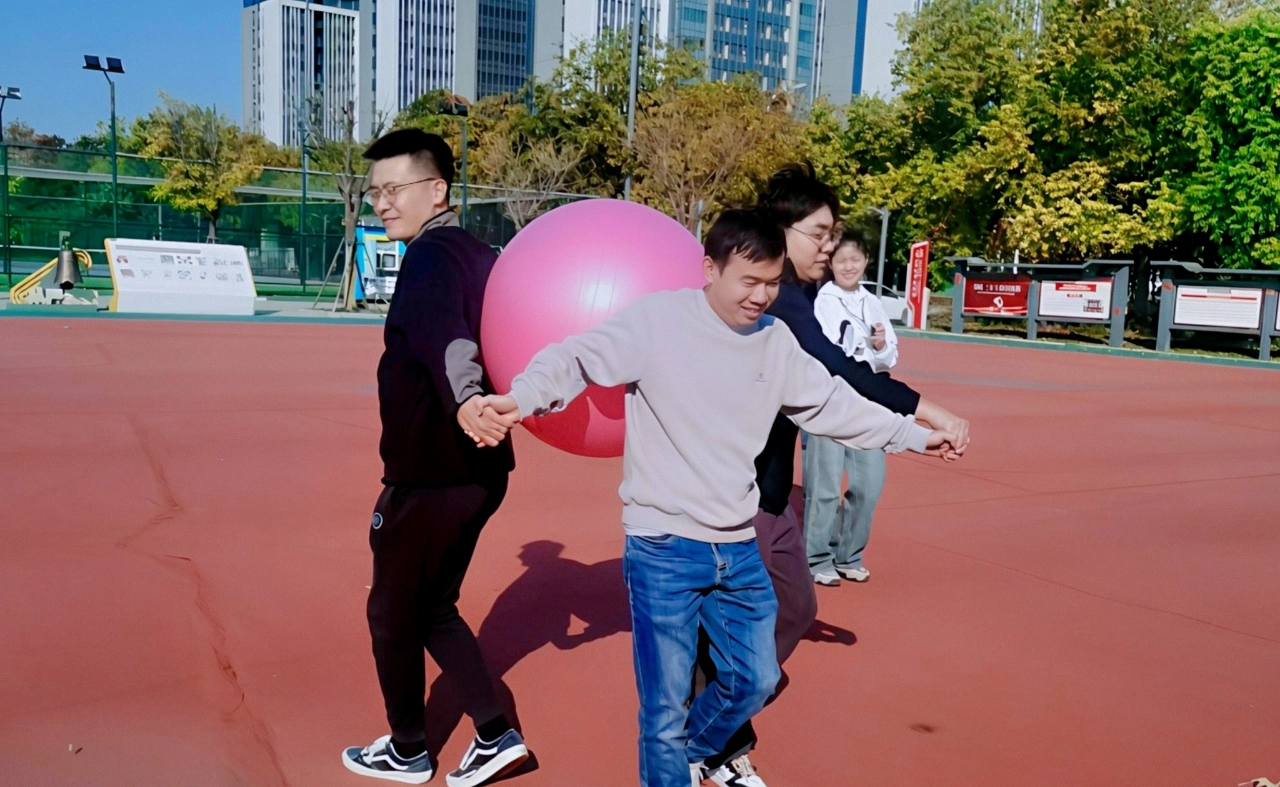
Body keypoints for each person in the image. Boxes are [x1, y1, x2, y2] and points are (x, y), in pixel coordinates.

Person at [463, 208, 962, 787]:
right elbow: (574, 358)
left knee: (754, 680)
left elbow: (833, 405)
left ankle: (692, 751)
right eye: (748, 281)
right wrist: (521, 398)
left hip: (737, 545)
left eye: (771, 283)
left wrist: (914, 435)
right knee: (663, 711)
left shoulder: (774, 341)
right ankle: (673, 760)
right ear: (710, 269)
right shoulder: (657, 321)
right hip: (663, 547)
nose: (761, 296)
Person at [695, 165, 971, 787]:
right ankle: (713, 744)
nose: (829, 246)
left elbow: (833, 388)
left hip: (770, 494)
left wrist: (912, 431)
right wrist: (927, 412)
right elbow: (839, 373)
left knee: (794, 609)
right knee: (735, 628)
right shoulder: (779, 300)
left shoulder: (794, 295)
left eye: (833, 233)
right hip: (734, 495)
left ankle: (709, 726)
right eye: (819, 234)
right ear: (782, 230)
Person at [342, 129, 531, 787]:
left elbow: (443, 337)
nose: (382, 203)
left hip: (435, 471)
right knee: (432, 605)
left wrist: (466, 401)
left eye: (395, 189)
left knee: (391, 613)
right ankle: (495, 734)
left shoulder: (429, 257)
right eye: (376, 192)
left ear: (438, 189)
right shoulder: (477, 252)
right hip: (476, 470)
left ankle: (407, 749)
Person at [805, 230, 899, 586]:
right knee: (825, 485)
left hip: (868, 401)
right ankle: (817, 557)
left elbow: (890, 355)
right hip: (830, 400)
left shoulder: (872, 302)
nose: (848, 266)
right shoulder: (823, 300)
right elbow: (834, 352)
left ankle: (849, 554)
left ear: (866, 262)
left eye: (855, 259)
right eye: (841, 260)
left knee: (869, 483)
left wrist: (879, 346)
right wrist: (864, 347)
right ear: (830, 264)